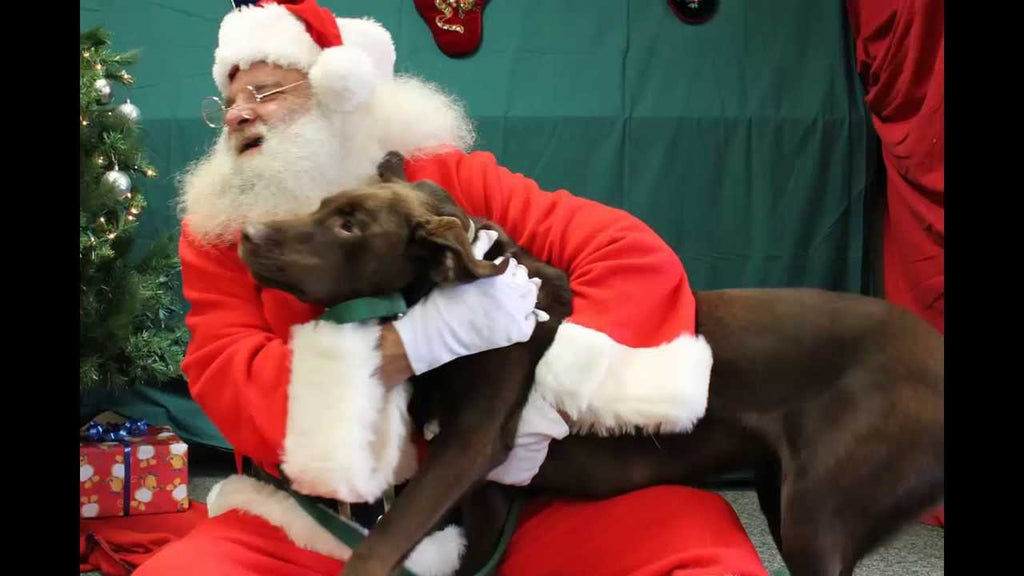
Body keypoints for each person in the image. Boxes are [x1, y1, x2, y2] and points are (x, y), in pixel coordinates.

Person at [138, 1, 768, 574]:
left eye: (266, 91)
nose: (239, 112)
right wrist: (403, 350)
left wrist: (550, 382)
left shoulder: (443, 177)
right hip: (319, 519)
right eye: (229, 99)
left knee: (698, 556)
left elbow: (625, 255)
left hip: (512, 497)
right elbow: (227, 372)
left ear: (336, 95)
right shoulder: (222, 235)